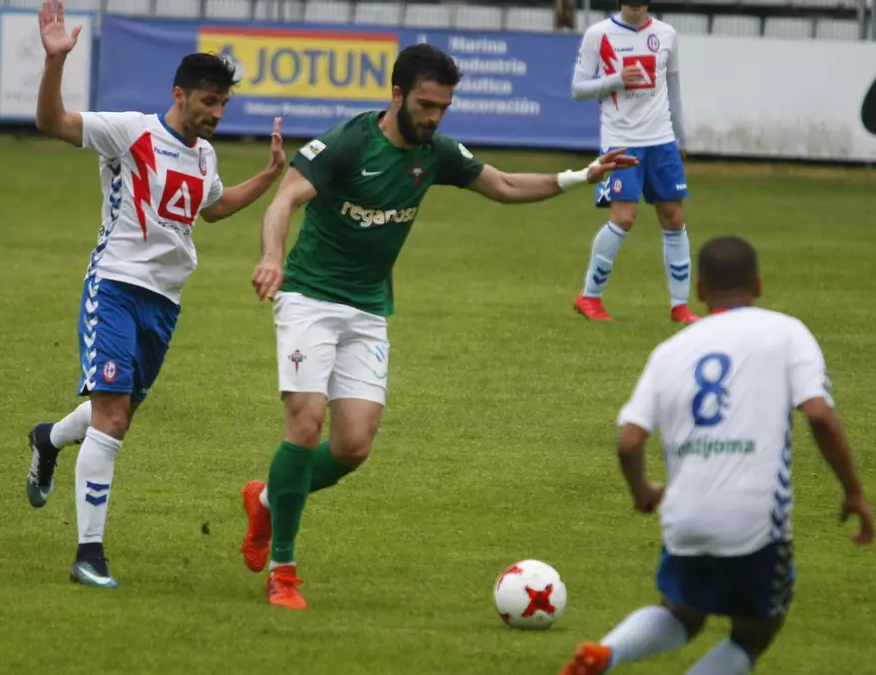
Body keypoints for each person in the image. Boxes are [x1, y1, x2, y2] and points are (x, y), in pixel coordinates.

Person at [238, 43, 640, 610]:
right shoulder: (349, 142)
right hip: (308, 297)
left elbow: (503, 186)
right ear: (397, 95)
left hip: (368, 308)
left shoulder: (436, 152)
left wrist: (582, 175)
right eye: (426, 105)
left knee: (353, 445)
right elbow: (284, 201)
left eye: (443, 108)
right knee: (305, 423)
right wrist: (272, 257)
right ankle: (283, 568)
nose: (434, 117)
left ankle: (266, 503)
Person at [24, 0, 286, 589]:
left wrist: (269, 177)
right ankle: (88, 555)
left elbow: (213, 208)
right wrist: (55, 62)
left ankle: (49, 438)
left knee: (117, 413)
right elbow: (53, 122)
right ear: (179, 94)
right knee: (113, 418)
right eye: (208, 101)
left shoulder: (205, 155)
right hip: (116, 287)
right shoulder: (132, 132)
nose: (216, 113)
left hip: (165, 303)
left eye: (223, 103)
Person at [560, 235, 875, 675]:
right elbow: (819, 415)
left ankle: (607, 653)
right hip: (754, 520)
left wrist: (642, 492)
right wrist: (854, 491)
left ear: (701, 291)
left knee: (681, 613)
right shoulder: (786, 332)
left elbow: (629, 440)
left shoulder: (670, 351)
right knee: (755, 630)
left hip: (685, 517)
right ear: (758, 285)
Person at [570, 0, 697, 323]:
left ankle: (680, 306)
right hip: (621, 141)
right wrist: (616, 80)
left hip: (661, 141)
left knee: (673, 217)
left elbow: (674, 89)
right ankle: (589, 297)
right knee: (624, 217)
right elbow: (578, 89)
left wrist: (681, 139)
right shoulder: (598, 34)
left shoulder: (666, 34)